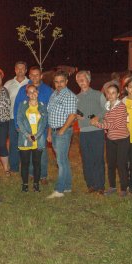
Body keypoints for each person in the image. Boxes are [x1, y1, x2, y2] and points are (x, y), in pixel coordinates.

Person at [14, 65, 53, 184]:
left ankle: (43, 175)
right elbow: (17, 108)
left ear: (41, 76)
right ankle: (31, 173)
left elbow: (50, 110)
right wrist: (17, 125)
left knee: (41, 152)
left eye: (37, 74)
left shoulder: (47, 90)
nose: (35, 77)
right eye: (32, 75)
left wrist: (49, 130)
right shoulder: (23, 89)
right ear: (29, 76)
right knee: (28, 150)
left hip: (41, 127)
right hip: (26, 127)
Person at [91, 84, 130, 197]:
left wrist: (98, 124)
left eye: (113, 93)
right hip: (110, 139)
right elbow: (107, 122)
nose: (111, 95)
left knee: (121, 164)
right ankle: (112, 187)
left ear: (118, 94)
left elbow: (115, 124)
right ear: (106, 95)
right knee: (111, 164)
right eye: (109, 93)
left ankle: (123, 188)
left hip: (122, 139)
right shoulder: (107, 107)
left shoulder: (121, 107)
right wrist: (103, 128)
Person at [46, 70, 78, 199]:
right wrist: (49, 132)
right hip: (54, 130)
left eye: (61, 81)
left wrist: (62, 130)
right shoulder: (54, 94)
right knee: (63, 159)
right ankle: (67, 186)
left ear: (66, 82)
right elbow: (50, 114)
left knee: (61, 161)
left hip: (62, 132)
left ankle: (59, 190)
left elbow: (72, 115)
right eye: (56, 82)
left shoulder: (70, 96)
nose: (59, 84)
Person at [75, 70, 106, 194]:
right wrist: (76, 116)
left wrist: (98, 117)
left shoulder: (98, 94)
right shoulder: (76, 98)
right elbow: (74, 113)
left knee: (98, 158)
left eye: (83, 79)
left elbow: (106, 109)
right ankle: (91, 184)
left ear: (89, 80)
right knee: (86, 159)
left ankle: (100, 185)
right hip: (83, 132)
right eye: (79, 80)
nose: (81, 82)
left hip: (97, 131)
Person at [17, 84, 48, 192]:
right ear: (27, 94)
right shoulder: (23, 105)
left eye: (34, 91)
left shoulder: (43, 106)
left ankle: (36, 184)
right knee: (25, 163)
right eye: (29, 92)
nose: (32, 94)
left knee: (37, 163)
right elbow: (19, 121)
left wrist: (37, 135)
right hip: (25, 139)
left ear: (37, 92)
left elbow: (44, 123)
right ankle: (25, 184)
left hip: (38, 140)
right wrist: (27, 135)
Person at [3, 61, 29, 173]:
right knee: (13, 143)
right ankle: (14, 167)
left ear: (26, 70)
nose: (20, 70)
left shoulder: (30, 82)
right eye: (18, 68)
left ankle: (26, 165)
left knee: (26, 143)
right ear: (15, 70)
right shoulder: (8, 84)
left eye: (22, 68)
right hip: (12, 118)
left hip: (27, 118)